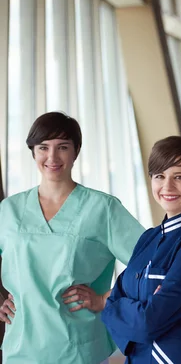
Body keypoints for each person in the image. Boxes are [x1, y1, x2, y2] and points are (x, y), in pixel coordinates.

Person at [0, 112, 145, 364]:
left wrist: (105, 299)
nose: (52, 157)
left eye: (63, 147)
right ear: (33, 152)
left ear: (76, 151)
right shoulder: (8, 210)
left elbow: (152, 263)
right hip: (21, 350)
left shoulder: (102, 208)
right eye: (43, 147)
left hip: (80, 350)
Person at [101, 136, 181, 363]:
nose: (167, 186)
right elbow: (110, 306)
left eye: (179, 177)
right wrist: (128, 308)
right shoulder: (149, 238)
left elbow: (148, 323)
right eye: (160, 176)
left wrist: (125, 308)